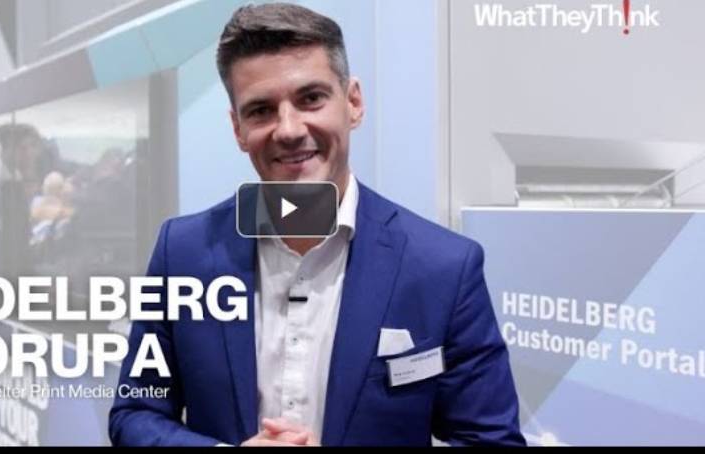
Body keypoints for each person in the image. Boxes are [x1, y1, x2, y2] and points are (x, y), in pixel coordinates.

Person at [109, 3, 525, 447]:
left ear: (353, 103)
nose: (288, 130)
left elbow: (491, 441)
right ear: (237, 128)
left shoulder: (442, 267)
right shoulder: (183, 253)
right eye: (261, 110)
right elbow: (135, 414)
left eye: (310, 98)